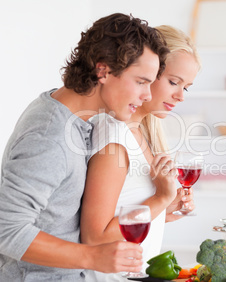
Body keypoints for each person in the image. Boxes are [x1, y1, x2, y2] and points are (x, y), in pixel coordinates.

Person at [0, 13, 169, 281]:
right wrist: (92, 257)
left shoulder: (77, 120)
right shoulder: (50, 135)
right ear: (103, 71)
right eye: (141, 82)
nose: (148, 95)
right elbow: (7, 230)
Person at [80, 25, 201, 281]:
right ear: (148, 72)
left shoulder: (141, 134)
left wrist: (162, 211)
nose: (180, 96)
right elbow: (95, 237)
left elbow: (123, 217)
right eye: (173, 82)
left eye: (186, 87)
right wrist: (160, 198)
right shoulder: (115, 139)